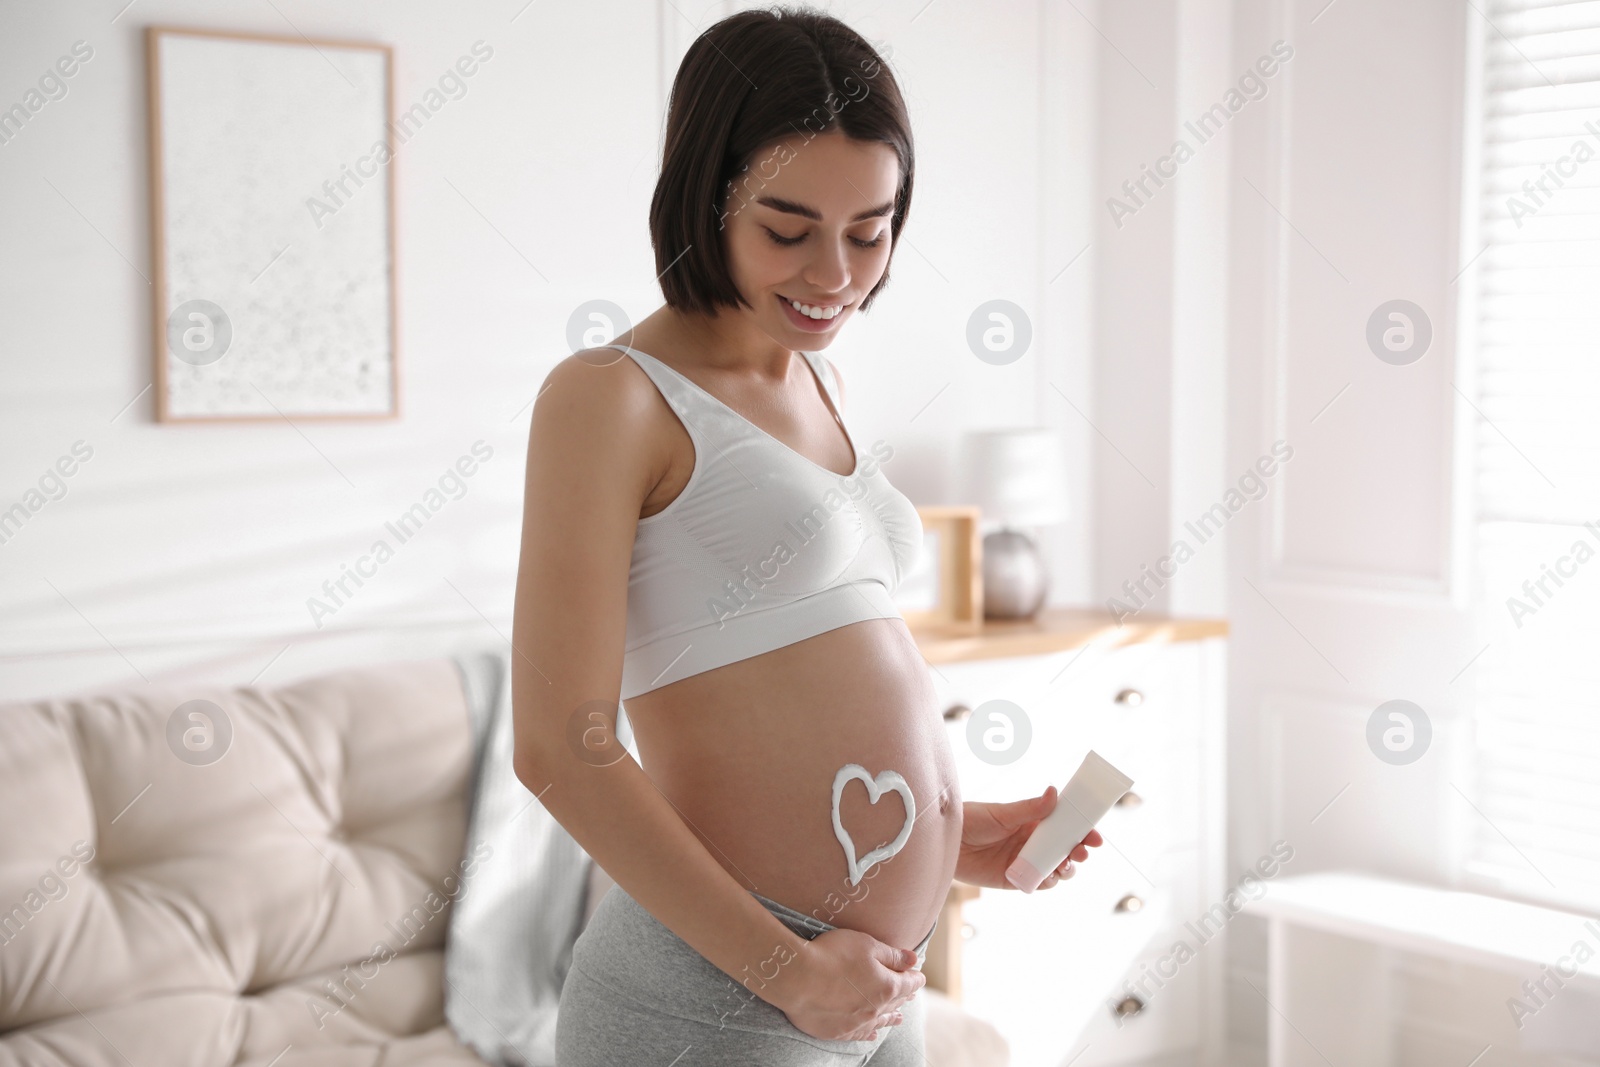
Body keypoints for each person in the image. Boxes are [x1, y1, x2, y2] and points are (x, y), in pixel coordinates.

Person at [511, 7, 1100, 1064]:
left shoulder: (817, 377)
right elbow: (559, 746)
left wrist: (958, 838)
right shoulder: (608, 399)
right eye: (788, 230)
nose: (834, 274)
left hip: (875, 983)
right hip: (714, 997)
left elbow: (780, 698)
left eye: (868, 231)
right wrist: (789, 967)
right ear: (706, 198)